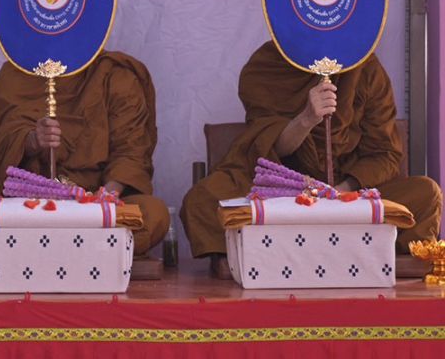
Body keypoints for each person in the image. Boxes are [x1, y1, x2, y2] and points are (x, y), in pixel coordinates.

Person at [181, 41, 442, 274]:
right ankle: (239, 261)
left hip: (350, 196)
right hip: (283, 191)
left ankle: (382, 260)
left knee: (425, 192)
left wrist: (340, 192)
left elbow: (384, 153)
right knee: (203, 199)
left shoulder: (366, 66)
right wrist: (307, 119)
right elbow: (265, 144)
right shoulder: (267, 65)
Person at [0, 51, 169, 271]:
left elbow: (131, 150)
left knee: (154, 214)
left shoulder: (116, 74)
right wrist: (31, 140)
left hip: (94, 200)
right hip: (26, 198)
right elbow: (6, 131)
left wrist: (102, 202)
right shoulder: (16, 73)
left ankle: (24, 256)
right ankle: (85, 256)